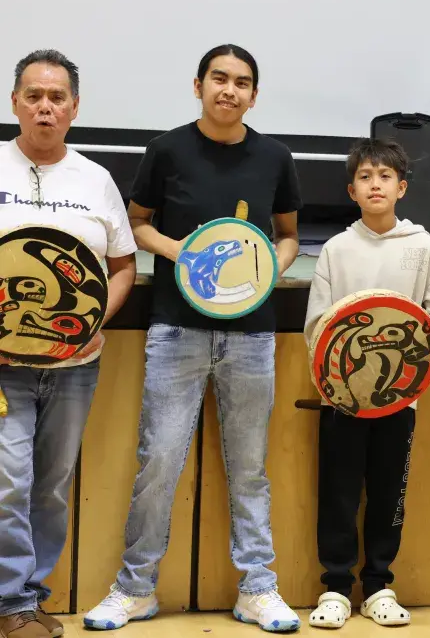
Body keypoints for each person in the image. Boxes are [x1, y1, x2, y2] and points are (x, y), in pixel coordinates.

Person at [83, 44, 302, 632]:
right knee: (158, 460)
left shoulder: (276, 157)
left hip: (252, 336)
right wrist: (182, 253)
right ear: (199, 84)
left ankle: (258, 588)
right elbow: (135, 224)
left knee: (250, 468)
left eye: (242, 82)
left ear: (254, 94)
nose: (229, 90)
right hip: (176, 327)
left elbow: (287, 236)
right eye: (219, 79)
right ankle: (135, 589)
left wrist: (269, 266)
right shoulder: (166, 149)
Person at [0, 49, 137, 638]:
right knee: (7, 478)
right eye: (34, 95)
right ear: (15, 103)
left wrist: (89, 321)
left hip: (77, 364)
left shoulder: (96, 179)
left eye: (57, 98)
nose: (45, 107)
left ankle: (30, 599)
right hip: (3, 364)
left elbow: (124, 264)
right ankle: (9, 605)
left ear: (75, 108)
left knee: (50, 485)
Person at [302, 138, 430, 630]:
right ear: (352, 189)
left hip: (398, 401)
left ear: (401, 187)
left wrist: (409, 378)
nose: (375, 184)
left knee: (390, 490)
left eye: (385, 176)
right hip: (342, 399)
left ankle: (379, 586)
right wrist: (337, 379)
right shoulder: (335, 249)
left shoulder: (422, 246)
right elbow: (317, 327)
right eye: (365, 177)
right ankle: (336, 588)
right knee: (339, 491)